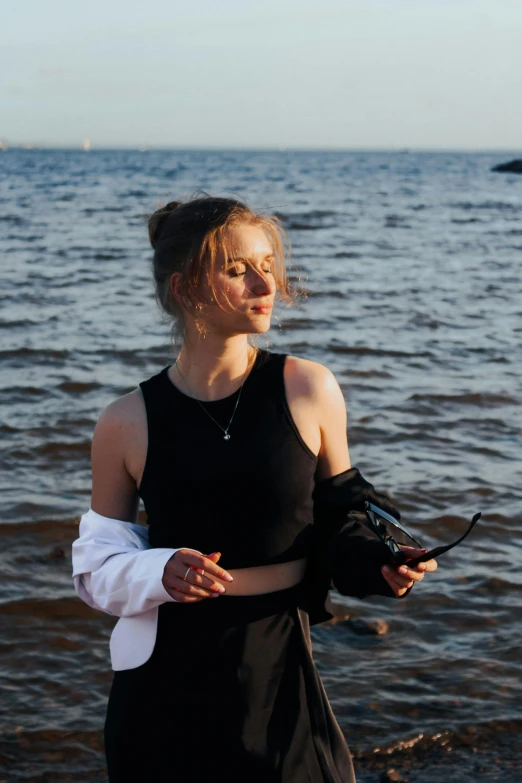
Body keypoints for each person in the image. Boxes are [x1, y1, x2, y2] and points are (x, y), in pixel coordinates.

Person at [72, 194, 437, 783]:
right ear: (186, 287)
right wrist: (158, 570)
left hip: (277, 660)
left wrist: (384, 563)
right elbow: (94, 570)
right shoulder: (125, 420)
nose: (264, 281)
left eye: (268, 264)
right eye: (237, 269)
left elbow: (342, 513)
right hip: (164, 673)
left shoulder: (306, 387)